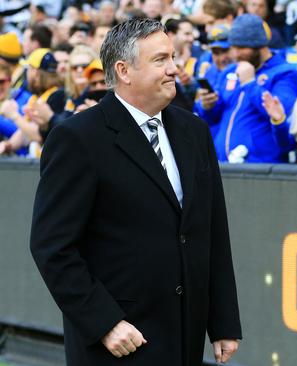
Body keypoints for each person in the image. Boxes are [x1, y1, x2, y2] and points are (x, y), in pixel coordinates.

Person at [29, 17, 242, 365]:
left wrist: (223, 321)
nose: (174, 68)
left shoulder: (194, 132)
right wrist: (104, 323)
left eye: (173, 57)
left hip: (183, 339)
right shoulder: (78, 138)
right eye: (160, 60)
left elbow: (211, 230)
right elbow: (52, 246)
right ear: (124, 71)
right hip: (117, 344)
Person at [195, 14, 297, 163]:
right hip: (223, 165)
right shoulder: (231, 70)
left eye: (241, 48)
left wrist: (250, 84)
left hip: (260, 168)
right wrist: (207, 106)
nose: (235, 54)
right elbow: (212, 118)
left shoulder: (284, 73)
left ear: (260, 46)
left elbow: (280, 114)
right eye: (234, 47)